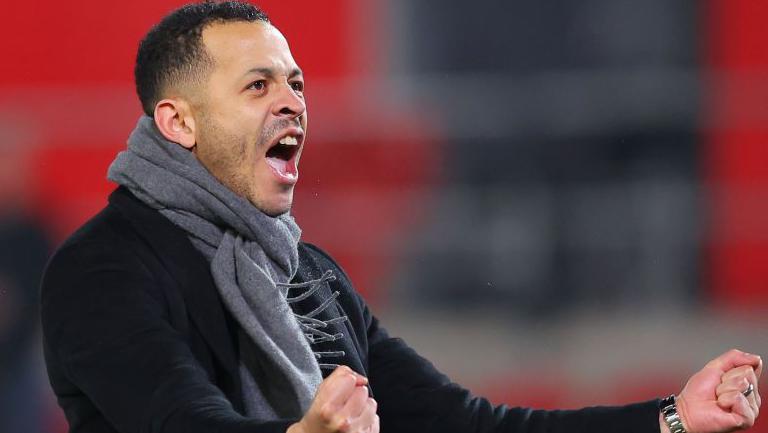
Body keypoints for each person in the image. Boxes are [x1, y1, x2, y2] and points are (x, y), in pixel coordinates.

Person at [40, 2, 762, 433]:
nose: (292, 102)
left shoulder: (309, 274)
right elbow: (181, 422)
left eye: (296, 83)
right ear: (179, 122)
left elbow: (466, 425)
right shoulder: (102, 269)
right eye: (258, 86)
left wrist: (672, 418)